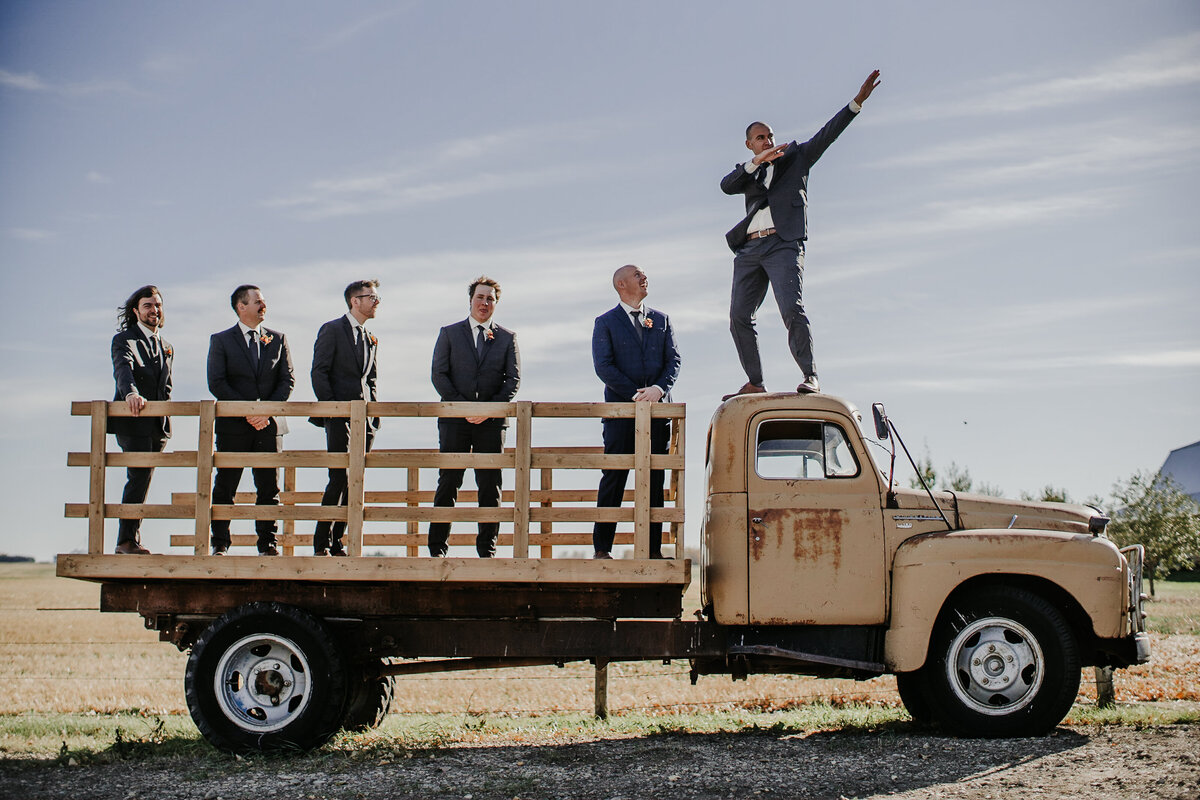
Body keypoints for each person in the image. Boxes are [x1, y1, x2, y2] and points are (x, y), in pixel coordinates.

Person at [720, 69, 881, 399]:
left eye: (770, 135)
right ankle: (755, 382)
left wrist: (857, 103)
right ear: (750, 145)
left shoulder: (797, 158)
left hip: (783, 244)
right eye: (761, 138)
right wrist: (756, 162)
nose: (768, 140)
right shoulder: (747, 174)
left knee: (791, 309)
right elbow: (726, 186)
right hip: (750, 250)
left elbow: (828, 134)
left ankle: (810, 375)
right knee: (738, 317)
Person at [591, 265, 681, 559]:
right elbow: (604, 366)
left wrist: (658, 389)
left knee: (655, 481)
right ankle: (602, 549)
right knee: (614, 477)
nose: (644, 278)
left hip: (657, 413)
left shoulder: (662, 319)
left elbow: (674, 360)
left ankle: (653, 551)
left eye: (644, 275)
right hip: (620, 414)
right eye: (638, 275)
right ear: (621, 284)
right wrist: (634, 394)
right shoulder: (605, 322)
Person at [428, 276, 521, 557]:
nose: (484, 303)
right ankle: (437, 548)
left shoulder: (507, 338)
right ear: (471, 300)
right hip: (455, 421)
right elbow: (439, 375)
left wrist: (487, 410)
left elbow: (513, 380)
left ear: (496, 303)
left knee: (490, 484)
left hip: (492, 423)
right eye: (480, 297)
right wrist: (464, 408)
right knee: (449, 482)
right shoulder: (449, 333)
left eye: (490, 299)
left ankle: (487, 549)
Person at [206, 285, 295, 556]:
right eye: (258, 301)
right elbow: (217, 382)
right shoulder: (221, 340)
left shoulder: (277, 339)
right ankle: (220, 543)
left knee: (269, 486)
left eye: (264, 301)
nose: (263, 305)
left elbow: (287, 380)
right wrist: (247, 410)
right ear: (241, 306)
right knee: (226, 485)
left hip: (269, 426)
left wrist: (265, 411)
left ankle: (268, 544)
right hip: (234, 425)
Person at [310, 280, 381, 556]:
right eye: (372, 297)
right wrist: (333, 410)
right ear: (355, 301)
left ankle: (338, 541)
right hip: (339, 417)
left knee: (356, 480)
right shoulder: (332, 330)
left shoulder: (370, 337)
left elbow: (371, 379)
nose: (377, 302)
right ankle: (321, 541)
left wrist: (374, 415)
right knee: (338, 476)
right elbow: (319, 372)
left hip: (366, 421)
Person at [108, 285, 173, 554]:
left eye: (157, 305)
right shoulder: (124, 339)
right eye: (147, 305)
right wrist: (131, 394)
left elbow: (166, 387)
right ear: (136, 311)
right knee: (137, 477)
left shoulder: (167, 346)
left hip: (157, 425)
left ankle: (132, 537)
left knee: (144, 479)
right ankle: (126, 541)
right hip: (132, 419)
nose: (153, 310)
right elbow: (123, 370)